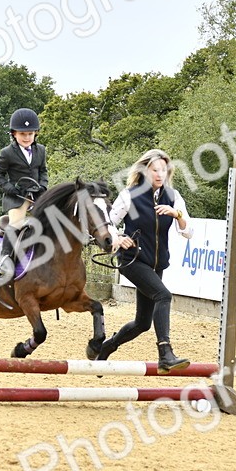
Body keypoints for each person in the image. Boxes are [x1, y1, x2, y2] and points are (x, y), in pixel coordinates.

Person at [92, 149, 192, 373]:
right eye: (155, 170)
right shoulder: (129, 195)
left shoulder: (173, 197)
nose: (159, 174)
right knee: (163, 295)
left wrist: (177, 215)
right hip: (132, 260)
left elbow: (188, 232)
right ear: (144, 171)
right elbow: (107, 224)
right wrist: (119, 237)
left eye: (163, 170)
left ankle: (107, 347)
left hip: (156, 264)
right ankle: (165, 354)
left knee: (143, 324)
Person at [0, 107, 48, 280]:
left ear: (35, 134)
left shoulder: (41, 150)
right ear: (14, 134)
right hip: (16, 198)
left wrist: (43, 186)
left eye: (30, 134)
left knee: (53, 221)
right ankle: (5, 260)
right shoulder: (7, 153)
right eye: (23, 134)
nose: (27, 138)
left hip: (36, 196)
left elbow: (43, 172)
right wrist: (11, 188)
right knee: (16, 223)